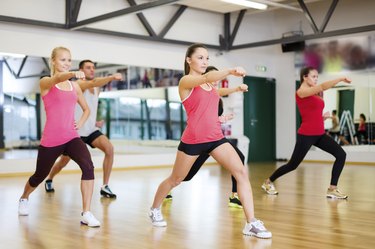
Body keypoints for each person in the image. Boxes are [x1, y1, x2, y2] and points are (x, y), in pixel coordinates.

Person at [148, 43, 272, 239]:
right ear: (189, 60)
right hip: (194, 140)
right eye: (200, 58)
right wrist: (230, 70)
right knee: (176, 179)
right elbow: (207, 77)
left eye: (207, 58)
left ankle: (251, 223)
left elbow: (216, 92)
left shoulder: (209, 86)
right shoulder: (186, 81)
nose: (205, 61)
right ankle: (155, 208)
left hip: (215, 138)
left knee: (240, 171)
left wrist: (236, 88)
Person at [18, 47, 100, 227]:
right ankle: (24, 197)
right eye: (63, 60)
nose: (67, 63)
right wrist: (72, 73)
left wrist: (80, 121)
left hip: (72, 137)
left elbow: (86, 109)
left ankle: (86, 213)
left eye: (69, 60)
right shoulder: (46, 82)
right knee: (39, 175)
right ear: (53, 61)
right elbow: (57, 78)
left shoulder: (74, 86)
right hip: (51, 139)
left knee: (88, 166)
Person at [261, 66, 351, 199]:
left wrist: (322, 117)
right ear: (305, 77)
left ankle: (332, 188)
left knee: (341, 154)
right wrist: (340, 78)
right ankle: (268, 182)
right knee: (292, 165)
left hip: (319, 134)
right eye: (313, 76)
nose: (316, 79)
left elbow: (311, 113)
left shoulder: (314, 94)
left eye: (317, 77)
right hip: (307, 135)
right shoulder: (301, 92)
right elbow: (322, 87)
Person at [44, 60, 122, 198]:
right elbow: (92, 82)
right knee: (63, 162)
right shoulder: (80, 84)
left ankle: (105, 186)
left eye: (93, 67)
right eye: (88, 67)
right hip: (76, 132)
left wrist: (94, 121)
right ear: (81, 70)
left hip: (91, 130)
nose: (92, 70)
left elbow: (89, 106)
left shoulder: (96, 89)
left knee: (109, 149)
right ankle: (50, 178)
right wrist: (111, 77)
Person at [175, 65, 248, 209]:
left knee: (240, 157)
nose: (216, 81)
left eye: (218, 77)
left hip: (215, 140)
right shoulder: (198, 91)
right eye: (214, 77)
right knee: (186, 176)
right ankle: (169, 186)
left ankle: (234, 195)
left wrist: (236, 91)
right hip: (200, 140)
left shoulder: (214, 94)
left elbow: (221, 93)